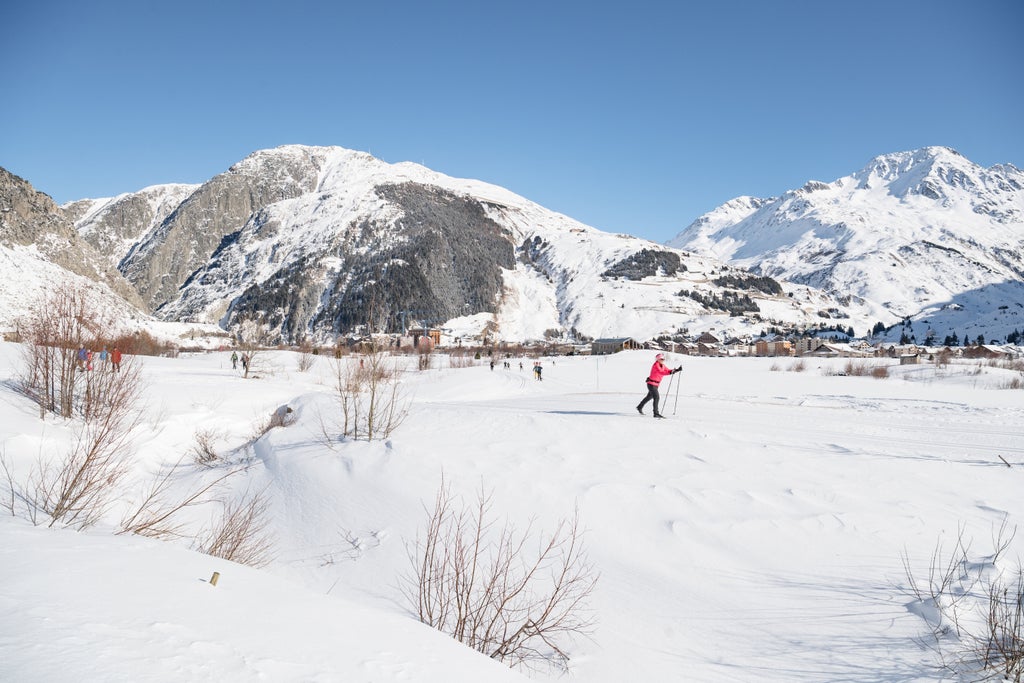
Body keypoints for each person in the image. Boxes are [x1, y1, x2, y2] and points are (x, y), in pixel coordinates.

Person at [636, 353, 681, 419]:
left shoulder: (662, 365)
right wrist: (671, 373)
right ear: (658, 359)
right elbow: (661, 372)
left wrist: (676, 370)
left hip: (656, 384)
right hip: (651, 384)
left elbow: (668, 370)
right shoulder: (656, 365)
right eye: (661, 359)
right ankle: (656, 413)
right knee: (656, 397)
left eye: (663, 359)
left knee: (649, 397)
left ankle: (639, 407)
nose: (663, 360)